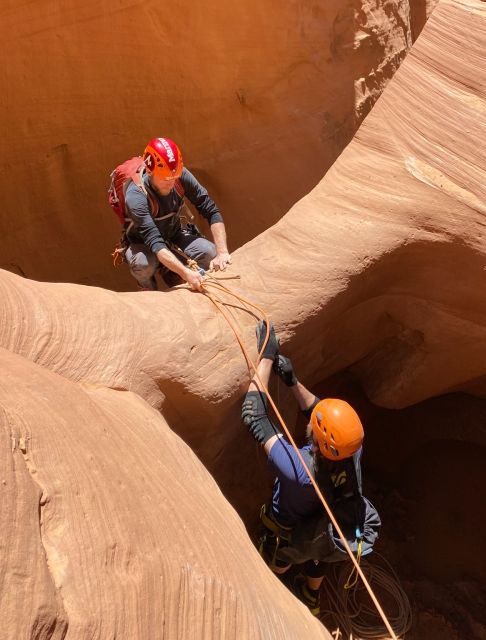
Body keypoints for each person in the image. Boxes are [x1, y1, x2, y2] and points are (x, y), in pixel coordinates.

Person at [242, 322, 367, 616]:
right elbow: (319, 414)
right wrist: (293, 381)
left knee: (282, 552)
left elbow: (253, 415)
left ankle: (274, 581)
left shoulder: (298, 468)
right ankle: (311, 595)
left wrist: (267, 359)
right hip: (329, 525)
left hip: (289, 529)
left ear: (318, 438)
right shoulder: (352, 450)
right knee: (320, 548)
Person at [123, 137, 232, 290]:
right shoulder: (136, 195)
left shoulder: (179, 175)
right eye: (166, 178)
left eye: (174, 177)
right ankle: (148, 289)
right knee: (142, 264)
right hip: (143, 244)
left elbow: (210, 209)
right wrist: (186, 273)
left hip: (173, 234)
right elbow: (155, 242)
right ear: (150, 171)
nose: (172, 183)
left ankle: (175, 272)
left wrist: (222, 252)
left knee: (210, 252)